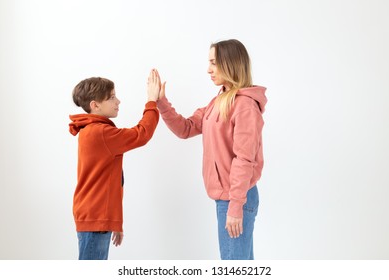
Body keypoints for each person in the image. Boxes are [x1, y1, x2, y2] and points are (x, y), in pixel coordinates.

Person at [156, 39, 267, 260]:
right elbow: (185, 129)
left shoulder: (244, 105)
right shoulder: (219, 101)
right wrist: (161, 101)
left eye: (214, 63)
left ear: (230, 63)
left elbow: (244, 159)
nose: (208, 69)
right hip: (229, 198)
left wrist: (236, 205)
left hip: (237, 197)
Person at [68, 70, 161, 260]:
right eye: (111, 97)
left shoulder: (95, 130)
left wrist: (113, 222)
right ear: (95, 105)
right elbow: (142, 134)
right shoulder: (100, 133)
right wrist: (152, 100)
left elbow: (111, 180)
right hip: (95, 219)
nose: (118, 101)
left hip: (96, 217)